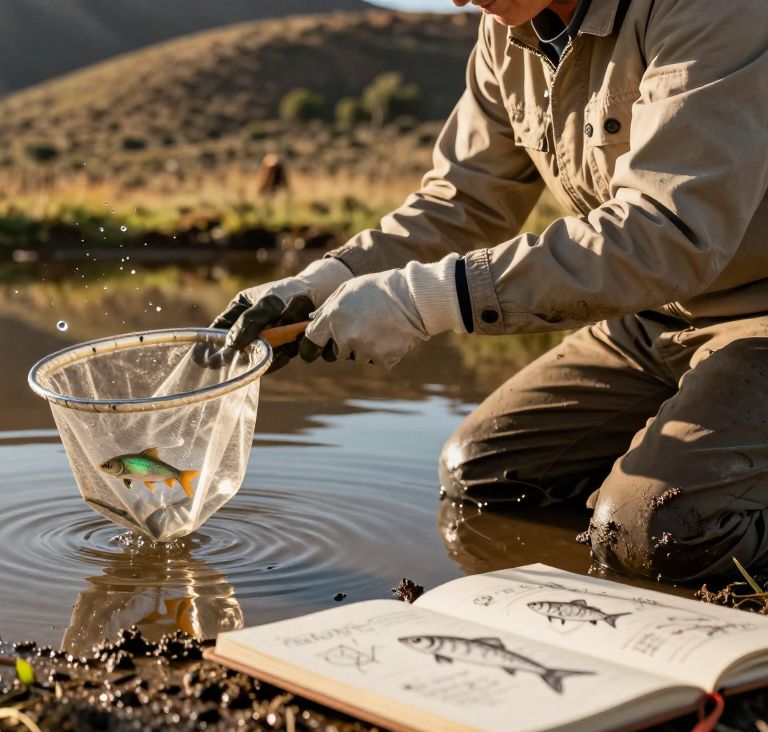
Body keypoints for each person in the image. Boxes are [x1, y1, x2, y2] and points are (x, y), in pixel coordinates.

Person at [213, 0, 768, 582]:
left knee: (662, 535)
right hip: (652, 314)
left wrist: (424, 300)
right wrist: (327, 278)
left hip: (757, 313)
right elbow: (463, 201)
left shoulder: (709, 8)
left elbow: (666, 233)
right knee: (484, 475)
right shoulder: (506, 35)